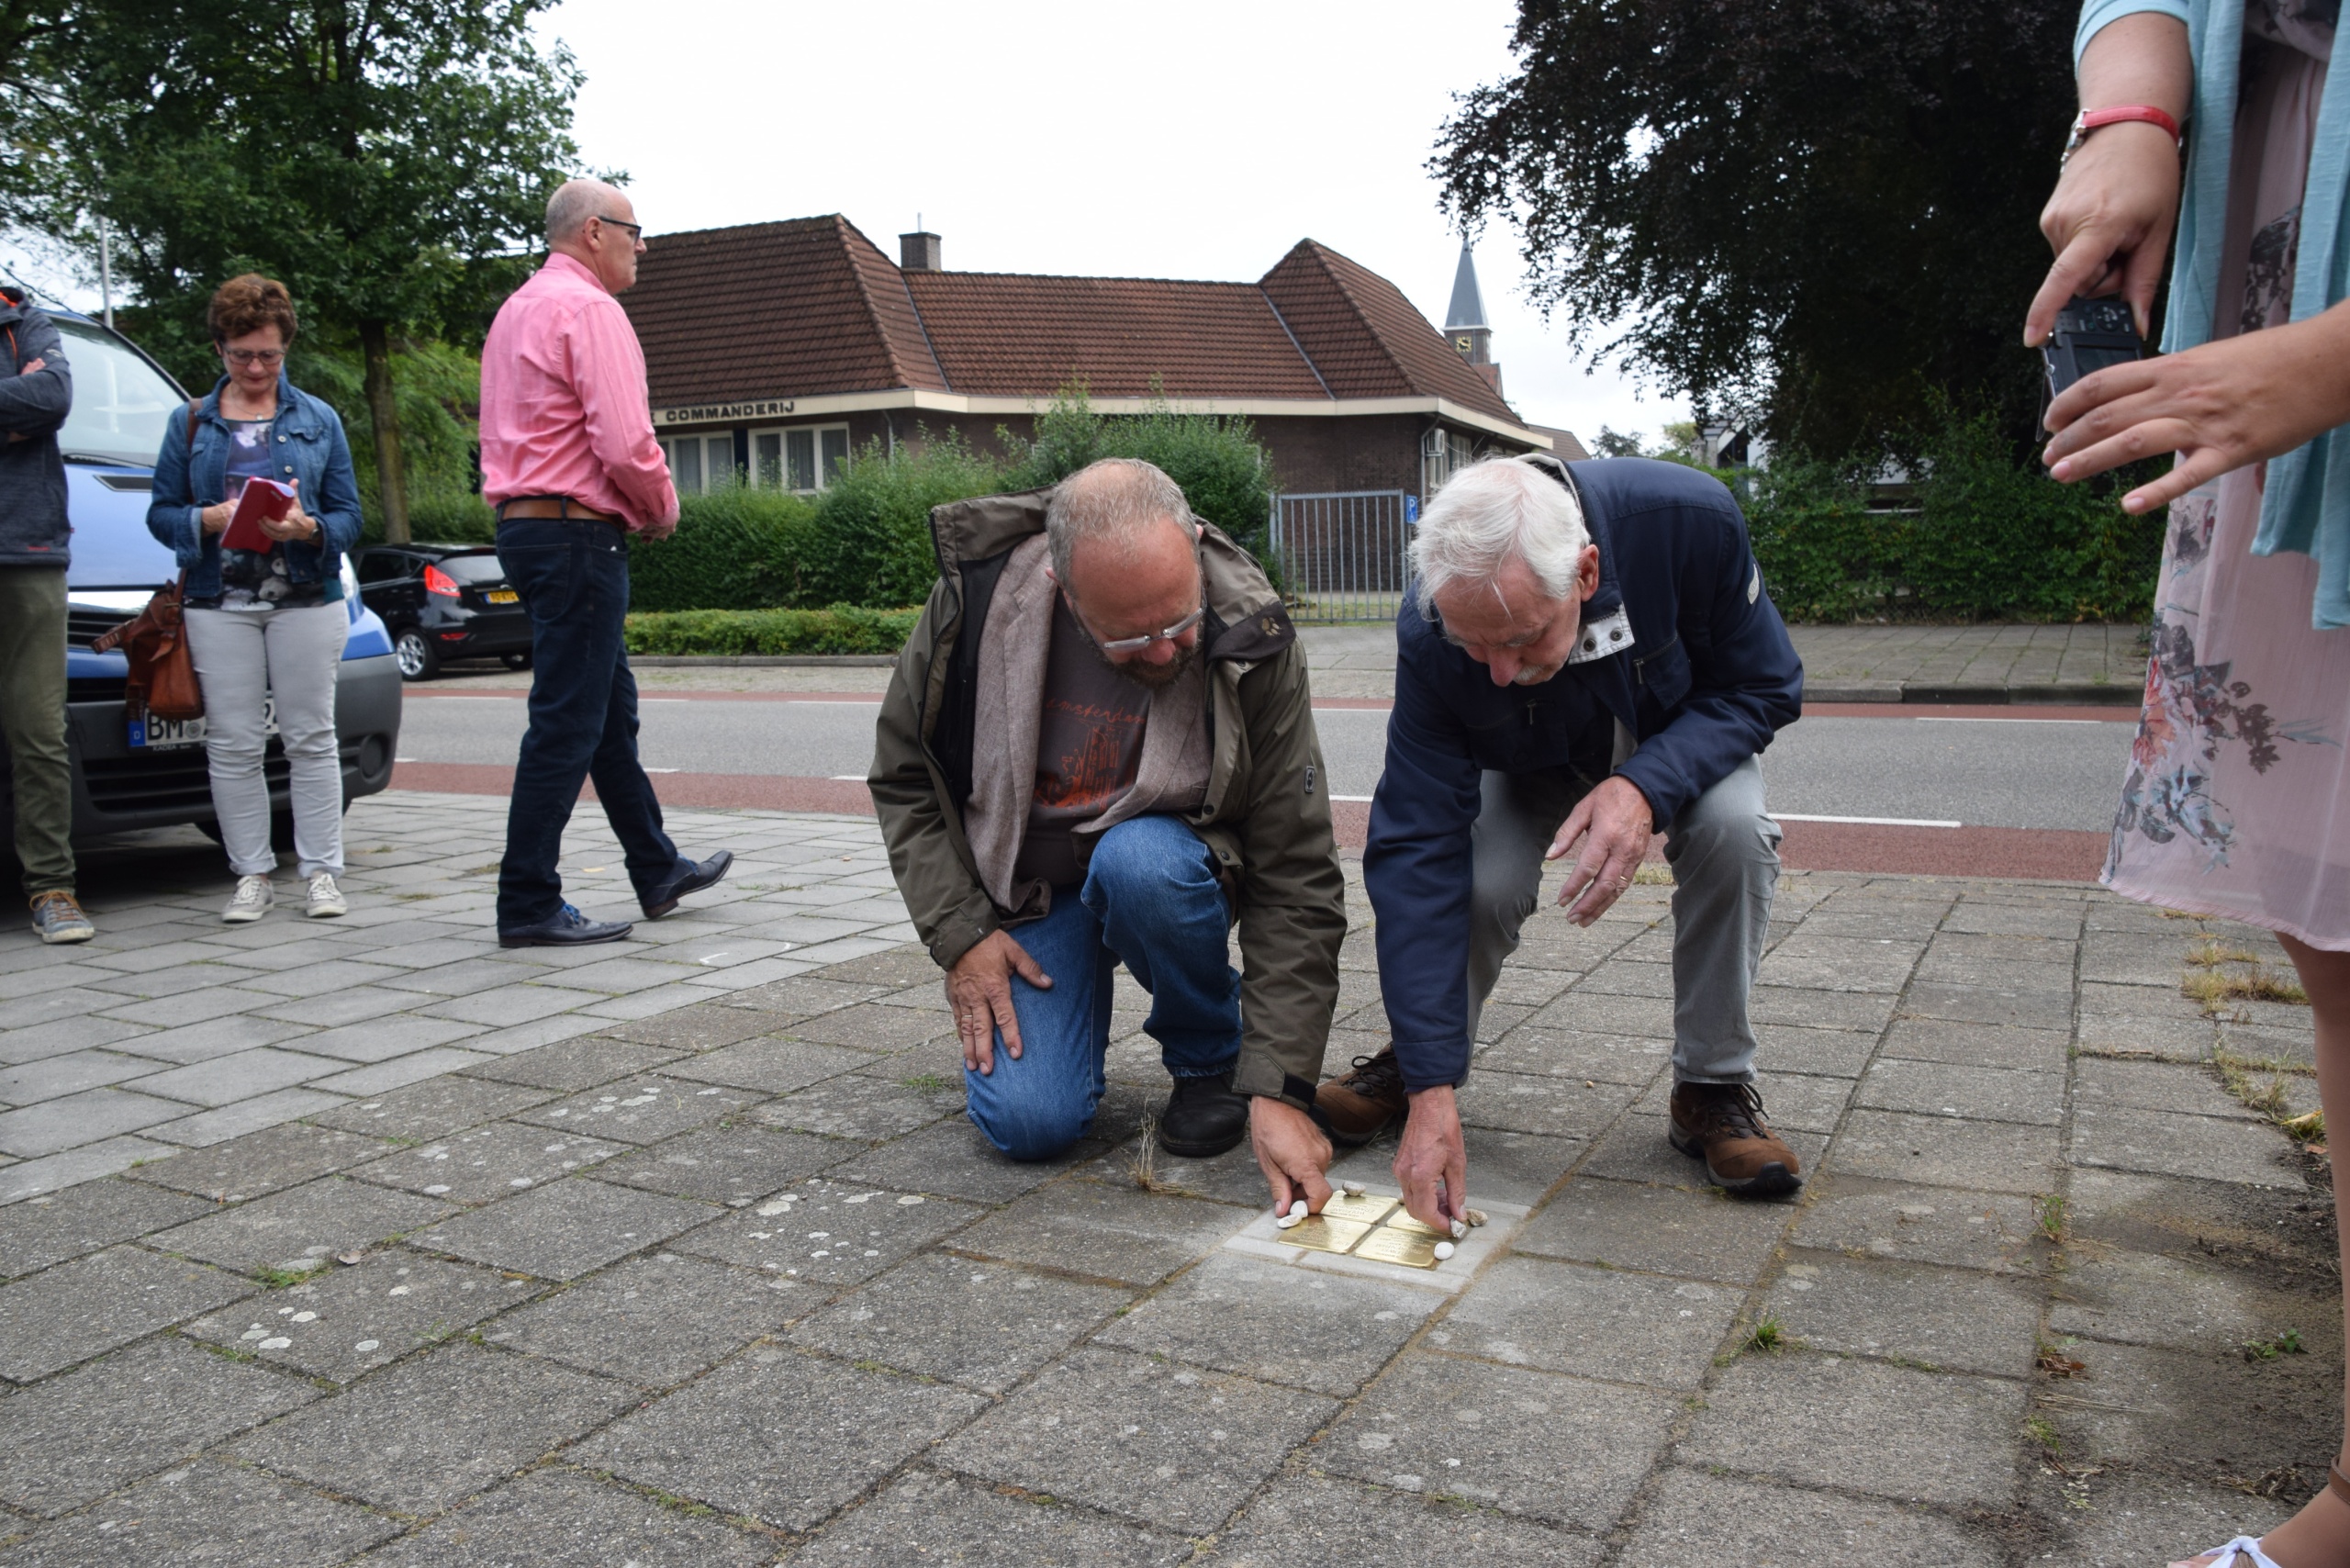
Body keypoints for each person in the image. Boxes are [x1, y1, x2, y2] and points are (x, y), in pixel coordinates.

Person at [2033, 6, 2350, 1564]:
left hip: (2312, 357)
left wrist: (2327, 357)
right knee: (2339, 947)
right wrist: (2133, 114)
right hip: (2272, 326)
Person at [1329, 454, 1805, 1231]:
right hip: (1529, 757)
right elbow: (1416, 843)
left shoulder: (1689, 521)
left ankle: (1712, 1090)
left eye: (1521, 638)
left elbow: (1763, 686)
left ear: (1586, 573)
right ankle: (1419, 1065)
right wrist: (1430, 1088)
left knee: (1736, 833)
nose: (1503, 672)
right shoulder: (1430, 624)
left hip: (1674, 737)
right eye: (1474, 647)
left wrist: (1647, 784)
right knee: (1473, 882)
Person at [869, 457, 1347, 1210]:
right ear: (1063, 587)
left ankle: (1207, 1063)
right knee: (1029, 1126)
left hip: (1165, 865)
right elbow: (904, 777)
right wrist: (962, 935)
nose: (1163, 651)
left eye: (1178, 622)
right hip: (1029, 894)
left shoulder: (1250, 626)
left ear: (1192, 546)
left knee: (1142, 865)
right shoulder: (978, 602)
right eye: (1128, 639)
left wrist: (1280, 1084)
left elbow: (1296, 866)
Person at [479, 179, 730, 947]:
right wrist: (661, 506)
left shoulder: (515, 310)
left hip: (527, 529)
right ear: (594, 231)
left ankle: (656, 867)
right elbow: (624, 441)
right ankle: (526, 900)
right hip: (577, 536)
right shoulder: (591, 311)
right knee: (566, 721)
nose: (642, 244)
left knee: (606, 716)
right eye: (633, 229)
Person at [148, 275, 362, 924]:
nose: (258, 369)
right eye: (243, 355)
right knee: (234, 742)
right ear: (219, 349)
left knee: (310, 737)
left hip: (306, 597)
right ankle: (252, 874)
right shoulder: (190, 423)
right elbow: (160, 514)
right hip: (218, 602)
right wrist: (205, 521)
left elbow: (351, 517)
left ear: (285, 346)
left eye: (270, 355)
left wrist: (311, 529)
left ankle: (322, 871)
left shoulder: (318, 418)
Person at [0, 286, 93, 944]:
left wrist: (32, 404)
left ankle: (52, 888)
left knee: (39, 731)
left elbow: (54, 398)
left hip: (29, 549)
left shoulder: (22, 319)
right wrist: (15, 409)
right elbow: (31, 404)